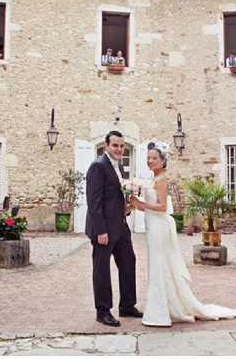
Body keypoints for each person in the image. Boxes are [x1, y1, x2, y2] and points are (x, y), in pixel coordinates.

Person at [130, 142, 236, 327]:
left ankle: (159, 313)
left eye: (154, 158)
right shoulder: (153, 178)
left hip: (159, 227)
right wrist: (135, 205)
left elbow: (162, 208)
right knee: (158, 266)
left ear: (163, 161)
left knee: (159, 266)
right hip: (153, 226)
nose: (150, 160)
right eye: (148, 157)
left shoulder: (161, 180)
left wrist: (140, 204)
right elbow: (151, 208)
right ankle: (165, 306)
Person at [85, 131, 142, 327]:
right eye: (115, 145)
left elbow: (115, 196)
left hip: (120, 225)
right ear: (106, 146)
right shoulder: (98, 166)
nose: (119, 149)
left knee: (128, 262)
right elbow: (94, 202)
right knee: (101, 269)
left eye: (121, 146)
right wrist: (101, 231)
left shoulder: (121, 166)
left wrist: (126, 207)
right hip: (103, 229)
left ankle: (127, 305)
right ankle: (103, 311)